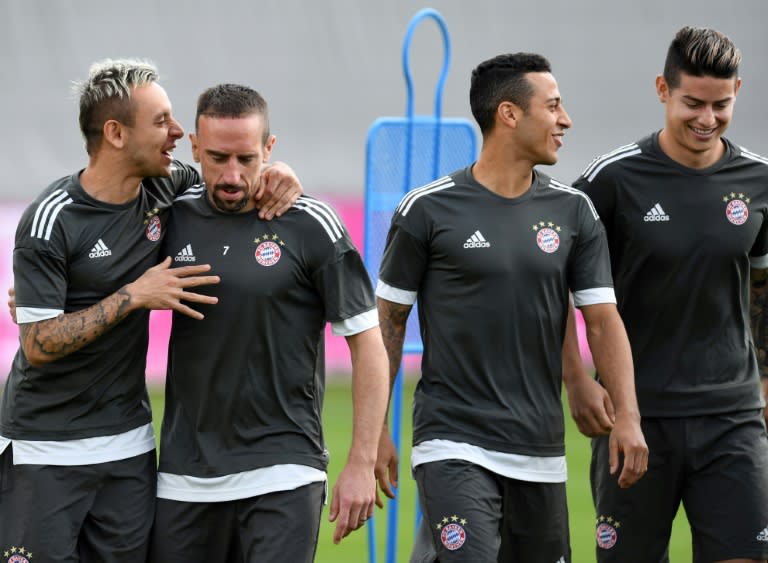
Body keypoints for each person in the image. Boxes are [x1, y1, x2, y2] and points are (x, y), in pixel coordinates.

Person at [0, 59, 301, 562]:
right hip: (45, 449)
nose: (179, 133)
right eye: (162, 121)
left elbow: (236, 172)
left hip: (128, 449)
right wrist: (133, 295)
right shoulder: (52, 218)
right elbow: (39, 343)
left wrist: (280, 172)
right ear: (116, 133)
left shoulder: (166, 187)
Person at [374, 52, 648, 563]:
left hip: (541, 450)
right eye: (554, 106)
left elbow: (602, 320)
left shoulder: (575, 212)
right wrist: (374, 434)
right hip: (453, 442)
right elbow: (387, 325)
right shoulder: (426, 209)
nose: (565, 120)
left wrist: (627, 415)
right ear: (509, 114)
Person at [146, 83, 390, 562]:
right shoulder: (170, 214)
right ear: (194, 147)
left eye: (247, 158)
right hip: (184, 477)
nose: (232, 175)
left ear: (270, 149)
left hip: (284, 471)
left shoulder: (310, 222)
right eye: (217, 158)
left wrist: (360, 460)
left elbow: (368, 343)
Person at [564, 26, 768, 563]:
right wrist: (578, 380)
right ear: (662, 90)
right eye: (692, 103)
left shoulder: (759, 181)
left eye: (721, 105)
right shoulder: (611, 181)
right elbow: (554, 289)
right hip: (636, 417)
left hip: (733, 418)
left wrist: (764, 383)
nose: (707, 119)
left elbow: (762, 289)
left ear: (737, 92)